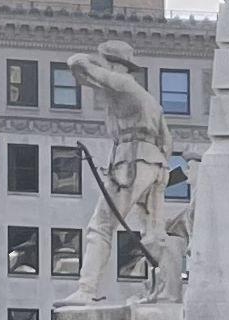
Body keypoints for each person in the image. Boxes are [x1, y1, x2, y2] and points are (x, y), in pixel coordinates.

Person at [60, 41, 174, 306]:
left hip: (132, 161)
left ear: (111, 64)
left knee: (101, 225)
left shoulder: (123, 85)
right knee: (154, 235)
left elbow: (76, 63)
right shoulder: (149, 100)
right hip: (155, 164)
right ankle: (167, 289)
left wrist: (93, 62)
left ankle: (86, 289)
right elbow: (167, 142)